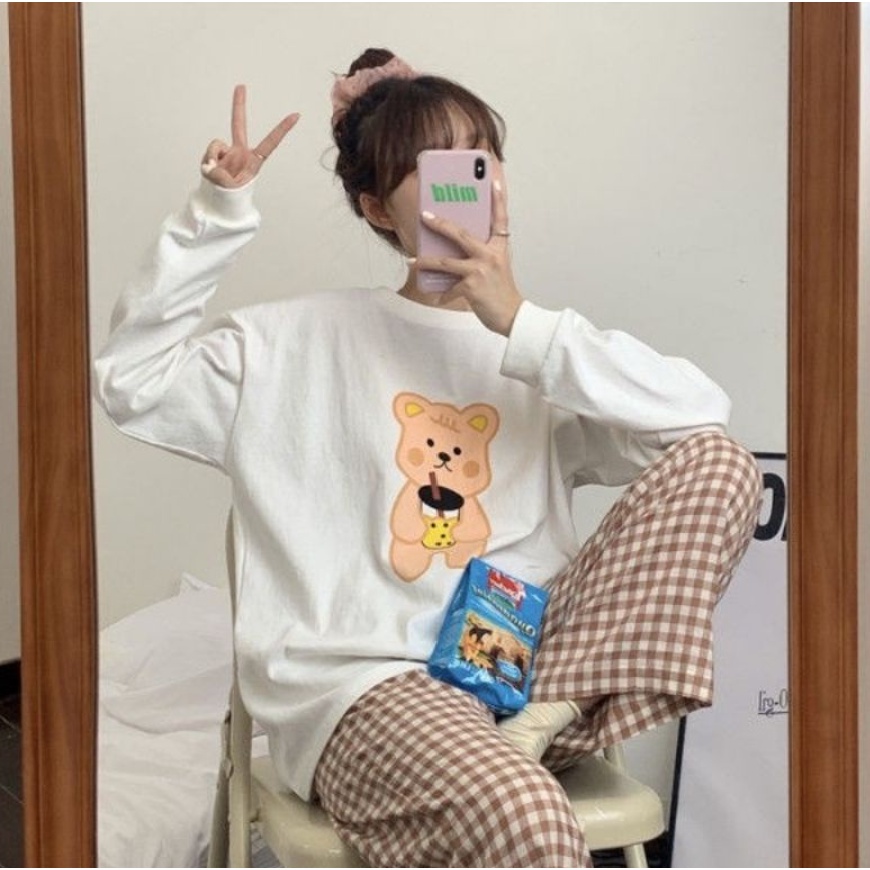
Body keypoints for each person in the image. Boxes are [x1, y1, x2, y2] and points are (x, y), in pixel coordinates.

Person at [94, 48, 762, 868]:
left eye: (481, 157)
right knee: (527, 819)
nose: (470, 181)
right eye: (432, 165)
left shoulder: (538, 353)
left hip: (530, 681)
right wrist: (216, 213)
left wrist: (519, 321)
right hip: (374, 694)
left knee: (722, 463)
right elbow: (131, 380)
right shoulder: (288, 345)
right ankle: (505, 764)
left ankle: (537, 721)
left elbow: (699, 423)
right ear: (377, 206)